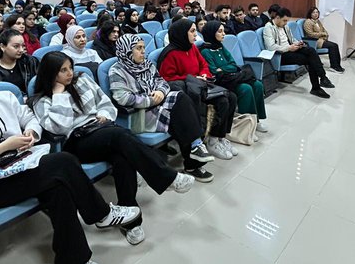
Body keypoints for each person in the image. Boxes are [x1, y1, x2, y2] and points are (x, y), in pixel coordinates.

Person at [0, 52, 138, 264]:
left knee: (59, 187)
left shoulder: (3, 98)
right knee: (63, 162)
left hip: (13, 167)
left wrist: (31, 132)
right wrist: (0, 149)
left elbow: (29, 117)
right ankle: (102, 214)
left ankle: (72, 261)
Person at [31, 52, 194, 246]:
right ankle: (166, 177)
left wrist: (104, 114)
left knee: (122, 157)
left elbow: (104, 102)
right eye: (63, 70)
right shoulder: (41, 100)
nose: (70, 73)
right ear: (50, 73)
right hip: (78, 141)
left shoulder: (82, 81)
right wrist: (59, 95)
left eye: (70, 68)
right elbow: (60, 127)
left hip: (102, 129)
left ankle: (131, 221)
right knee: (120, 136)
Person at [109, 34, 215, 182]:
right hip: (138, 116)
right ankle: (194, 159)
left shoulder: (146, 64)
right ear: (126, 51)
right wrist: (151, 100)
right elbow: (123, 98)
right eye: (138, 48)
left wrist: (160, 92)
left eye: (143, 47)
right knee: (180, 115)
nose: (143, 51)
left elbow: (163, 82)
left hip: (157, 107)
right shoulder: (117, 71)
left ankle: (195, 148)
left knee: (181, 100)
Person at [158, 19, 237, 161]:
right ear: (182, 33)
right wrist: (193, 77)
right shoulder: (170, 53)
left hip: (201, 84)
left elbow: (203, 64)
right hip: (189, 90)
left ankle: (219, 137)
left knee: (231, 97)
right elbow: (168, 78)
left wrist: (204, 74)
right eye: (192, 31)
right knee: (223, 101)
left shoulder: (192, 48)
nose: (196, 34)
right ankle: (211, 141)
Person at [200, 21, 268, 133]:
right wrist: (225, 68)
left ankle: (257, 120)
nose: (224, 34)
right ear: (211, 33)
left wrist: (223, 68)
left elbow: (233, 64)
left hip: (232, 77)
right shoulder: (205, 51)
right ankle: (246, 124)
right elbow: (214, 71)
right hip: (222, 82)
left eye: (223, 31)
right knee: (246, 89)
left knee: (257, 85)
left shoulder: (220, 46)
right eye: (220, 31)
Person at [263, 7, 334, 99]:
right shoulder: (268, 28)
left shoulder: (285, 26)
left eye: (287, 21)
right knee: (310, 60)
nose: (286, 23)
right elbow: (271, 47)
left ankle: (323, 78)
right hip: (281, 55)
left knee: (311, 50)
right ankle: (317, 86)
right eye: (284, 20)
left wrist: (298, 43)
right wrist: (289, 47)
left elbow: (292, 39)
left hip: (290, 49)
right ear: (277, 18)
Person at [0, 29, 38, 96]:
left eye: (23, 46)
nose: (21, 50)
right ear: (2, 47)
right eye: (16, 46)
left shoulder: (30, 61)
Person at [303, 7, 345, 73]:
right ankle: (334, 67)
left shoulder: (317, 21)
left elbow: (323, 30)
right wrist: (322, 34)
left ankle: (338, 66)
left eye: (317, 12)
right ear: (310, 14)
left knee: (335, 45)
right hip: (314, 41)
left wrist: (325, 34)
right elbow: (310, 34)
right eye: (313, 12)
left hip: (321, 40)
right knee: (332, 46)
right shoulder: (308, 22)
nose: (315, 14)